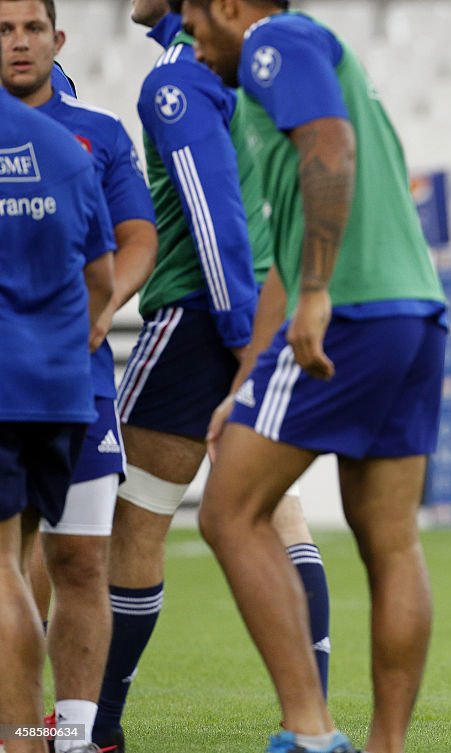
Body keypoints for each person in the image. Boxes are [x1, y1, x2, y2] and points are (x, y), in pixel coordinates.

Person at [178, 0, 447, 751]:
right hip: (413, 312)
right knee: (392, 542)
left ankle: (309, 730)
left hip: (350, 312)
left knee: (228, 512)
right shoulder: (289, 88)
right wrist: (245, 382)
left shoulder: (276, 40)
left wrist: (321, 290)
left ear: (231, 9)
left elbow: (331, 146)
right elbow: (279, 267)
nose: (195, 47)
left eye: (197, 26)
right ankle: (385, 745)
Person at [93, 1, 332, 749]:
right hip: (273, 301)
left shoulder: (180, 77)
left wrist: (237, 343)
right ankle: (313, 724)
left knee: (132, 524)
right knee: (280, 510)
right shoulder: (259, 70)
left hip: (203, 319)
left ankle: (94, 727)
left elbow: (214, 216)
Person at [0, 1, 158, 750]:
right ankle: (22, 725)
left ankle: (72, 734)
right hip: (26, 379)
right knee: (14, 560)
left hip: (81, 383)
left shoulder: (97, 136)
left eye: (30, 28)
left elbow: (136, 240)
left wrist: (105, 309)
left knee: (79, 557)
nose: (19, 43)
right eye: (3, 30)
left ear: (57, 39)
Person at [0, 83, 115, 753]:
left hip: (3, 385)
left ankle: (20, 739)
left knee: (4, 573)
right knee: (17, 563)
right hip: (60, 391)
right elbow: (101, 277)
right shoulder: (66, 149)